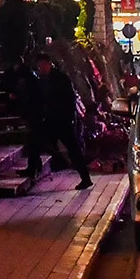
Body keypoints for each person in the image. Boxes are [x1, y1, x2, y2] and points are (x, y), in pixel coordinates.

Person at [25, 50, 92, 188]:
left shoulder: (60, 79)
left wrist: (68, 118)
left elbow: (69, 100)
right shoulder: (46, 79)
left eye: (42, 65)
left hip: (62, 121)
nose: (40, 68)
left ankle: (85, 178)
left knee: (73, 149)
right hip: (52, 119)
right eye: (39, 66)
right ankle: (31, 169)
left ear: (48, 64)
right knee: (36, 141)